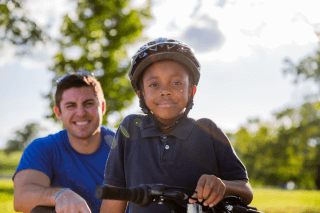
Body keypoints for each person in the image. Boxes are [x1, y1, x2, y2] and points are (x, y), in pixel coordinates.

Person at [100, 38, 254, 213]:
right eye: (154, 84)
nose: (165, 90)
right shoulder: (130, 128)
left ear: (191, 91)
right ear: (140, 94)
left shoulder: (208, 130)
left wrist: (223, 186)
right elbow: (115, 194)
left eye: (177, 83)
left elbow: (245, 190)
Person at [13, 71, 120, 213]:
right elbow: (21, 197)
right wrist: (60, 194)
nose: (81, 113)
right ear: (58, 112)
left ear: (103, 107)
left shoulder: (125, 146)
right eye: (71, 106)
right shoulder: (43, 148)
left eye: (88, 103)